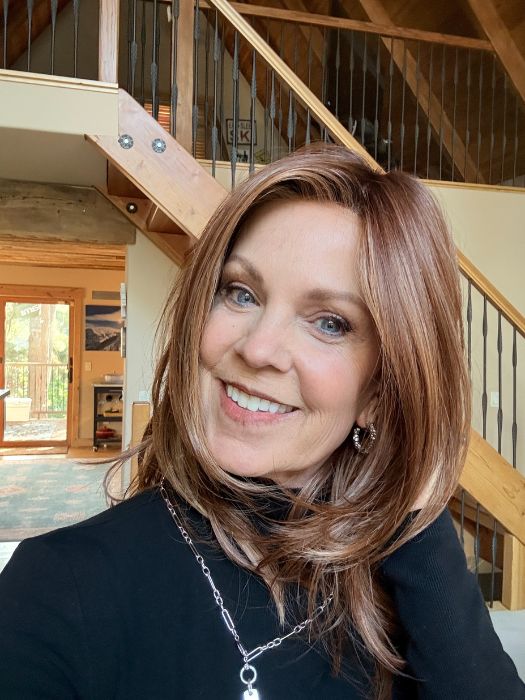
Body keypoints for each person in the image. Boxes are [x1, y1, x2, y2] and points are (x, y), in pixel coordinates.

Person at [1, 145, 523, 700]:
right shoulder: (56, 586)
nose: (258, 349)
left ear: (380, 391)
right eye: (241, 293)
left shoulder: (413, 578)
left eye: (329, 322)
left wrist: (413, 509)